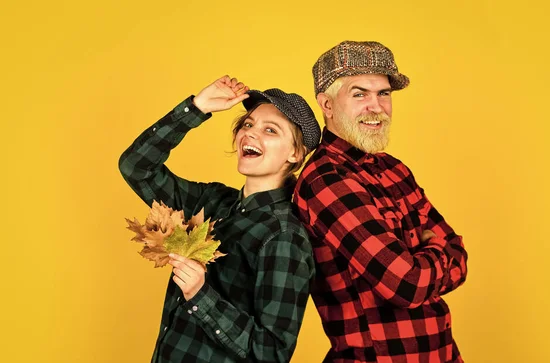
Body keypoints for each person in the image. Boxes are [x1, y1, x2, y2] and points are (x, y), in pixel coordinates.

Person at [119, 75, 321, 363]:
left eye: (271, 130)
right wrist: (196, 108)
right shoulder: (212, 202)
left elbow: (272, 353)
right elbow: (136, 167)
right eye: (248, 124)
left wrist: (201, 295)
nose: (250, 133)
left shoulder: (283, 236)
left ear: (295, 154)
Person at [293, 41, 468, 362]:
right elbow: (407, 284)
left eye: (383, 94)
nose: (376, 107)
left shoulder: (393, 168)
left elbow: (460, 254)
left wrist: (428, 257)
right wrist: (438, 252)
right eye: (359, 94)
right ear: (327, 105)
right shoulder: (326, 180)